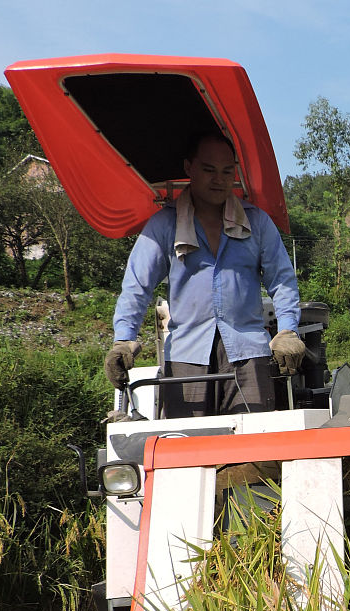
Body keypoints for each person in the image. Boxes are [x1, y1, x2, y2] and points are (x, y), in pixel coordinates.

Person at [104, 131, 306, 417]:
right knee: (186, 450)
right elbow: (137, 287)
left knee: (253, 453)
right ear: (189, 169)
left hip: (248, 353)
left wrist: (287, 332)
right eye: (209, 170)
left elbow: (282, 281)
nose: (219, 179)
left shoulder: (257, 222)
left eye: (227, 171)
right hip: (186, 355)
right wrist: (123, 339)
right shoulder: (164, 224)